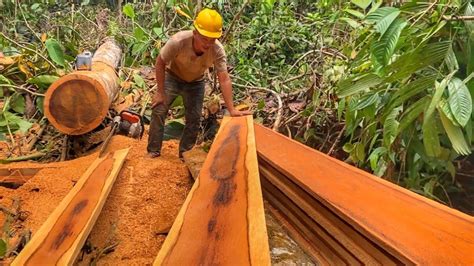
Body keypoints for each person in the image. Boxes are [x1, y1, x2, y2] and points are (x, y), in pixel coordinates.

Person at [147, 8, 251, 158]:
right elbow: (160, 62)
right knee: (159, 109)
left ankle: (186, 153)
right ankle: (153, 150)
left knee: (194, 118)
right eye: (204, 38)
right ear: (195, 33)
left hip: (196, 83)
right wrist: (160, 92)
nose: (208, 43)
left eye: (212, 39)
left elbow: (224, 78)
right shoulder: (178, 41)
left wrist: (232, 109)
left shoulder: (217, 51)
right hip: (173, 77)